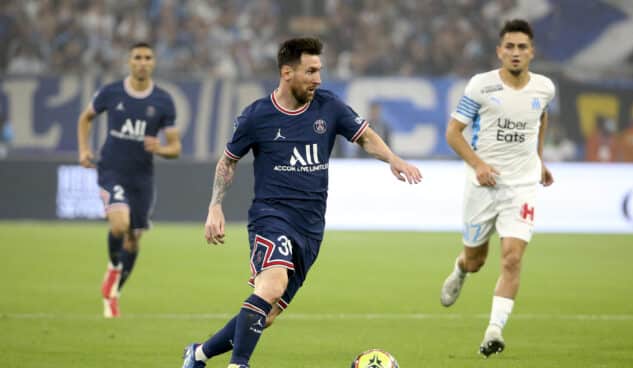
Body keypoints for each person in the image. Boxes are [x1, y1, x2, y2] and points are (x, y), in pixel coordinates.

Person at [181, 37, 422, 368]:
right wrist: (214, 206)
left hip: (310, 229)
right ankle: (239, 364)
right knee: (272, 284)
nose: (318, 79)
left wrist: (394, 159)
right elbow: (228, 161)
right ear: (286, 73)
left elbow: (364, 136)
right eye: (310, 72)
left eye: (319, 71)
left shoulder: (329, 107)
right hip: (271, 217)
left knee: (263, 316)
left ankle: (197, 355)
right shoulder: (257, 116)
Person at [439, 19, 555, 358]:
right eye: (510, 47)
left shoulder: (544, 88)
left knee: (512, 258)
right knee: (477, 260)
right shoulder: (481, 86)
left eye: (522, 47)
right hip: (483, 186)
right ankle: (461, 269)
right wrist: (479, 165)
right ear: (499, 51)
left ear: (531, 52)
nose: (516, 53)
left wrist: (539, 159)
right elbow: (453, 133)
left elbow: (541, 117)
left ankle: (494, 330)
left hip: (522, 186)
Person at [77, 42, 181, 318]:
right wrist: (84, 150)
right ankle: (113, 269)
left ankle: (114, 294)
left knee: (134, 238)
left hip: (142, 177)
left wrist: (159, 148)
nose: (142, 62)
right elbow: (85, 118)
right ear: (129, 61)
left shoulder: (163, 100)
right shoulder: (111, 92)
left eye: (148, 57)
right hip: (111, 169)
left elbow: (175, 147)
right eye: (137, 57)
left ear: (154, 62)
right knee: (120, 224)